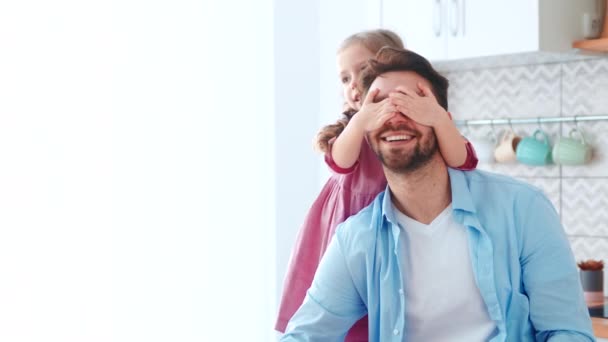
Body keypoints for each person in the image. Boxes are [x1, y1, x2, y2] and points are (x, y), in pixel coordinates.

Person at [280, 47, 595, 341]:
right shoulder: (357, 240)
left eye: (413, 103)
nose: (394, 114)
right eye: (378, 104)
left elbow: (567, 331)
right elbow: (303, 335)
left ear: (442, 120)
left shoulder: (523, 209)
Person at [276, 30, 478, 341]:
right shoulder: (351, 130)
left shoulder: (420, 129)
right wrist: (361, 121)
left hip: (398, 232)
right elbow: (340, 162)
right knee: (345, 305)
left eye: (363, 72)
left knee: (388, 305)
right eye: (344, 79)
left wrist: (437, 118)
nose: (354, 85)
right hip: (347, 227)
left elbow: (462, 160)